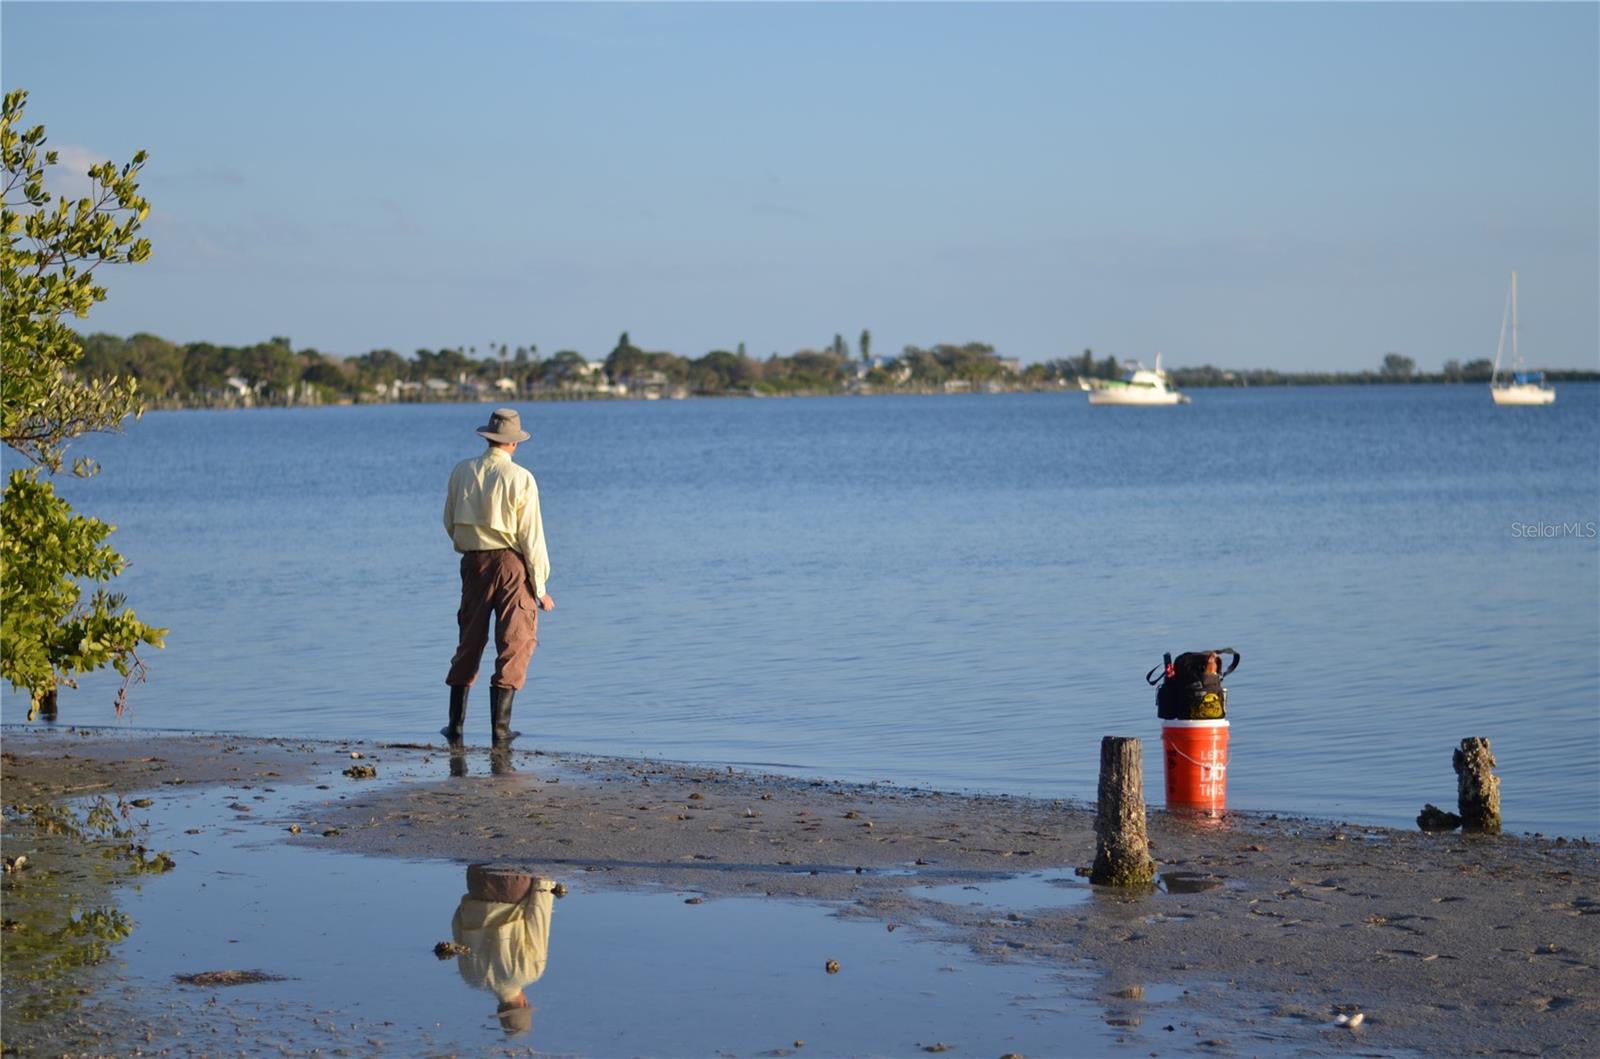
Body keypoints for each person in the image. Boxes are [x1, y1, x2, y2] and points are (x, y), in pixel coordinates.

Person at [442, 408, 554, 747]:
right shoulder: (521, 478)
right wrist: (541, 586)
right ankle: (500, 730)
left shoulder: (462, 471)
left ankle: (455, 727)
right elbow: (531, 537)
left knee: (469, 640)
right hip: (510, 565)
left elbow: (449, 522)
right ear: (514, 444)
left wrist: (472, 550)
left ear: (488, 438)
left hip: (472, 563)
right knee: (515, 641)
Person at [450, 866, 556, 1038]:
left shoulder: (530, 973)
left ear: (524, 1003)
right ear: (499, 1008)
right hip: (477, 883)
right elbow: (457, 924)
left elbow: (538, 916)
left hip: (513, 885)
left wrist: (546, 877)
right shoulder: (470, 976)